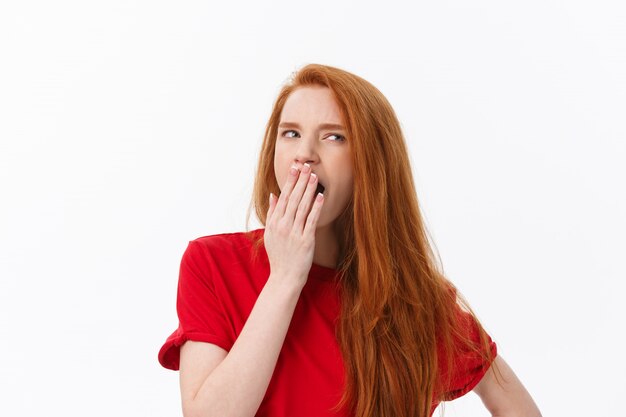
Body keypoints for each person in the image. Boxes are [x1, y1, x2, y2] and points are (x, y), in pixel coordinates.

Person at [158, 64, 542, 417]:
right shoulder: (211, 264)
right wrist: (286, 278)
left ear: (370, 166)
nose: (305, 154)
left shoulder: (418, 302)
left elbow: (510, 400)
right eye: (291, 133)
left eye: (334, 137)